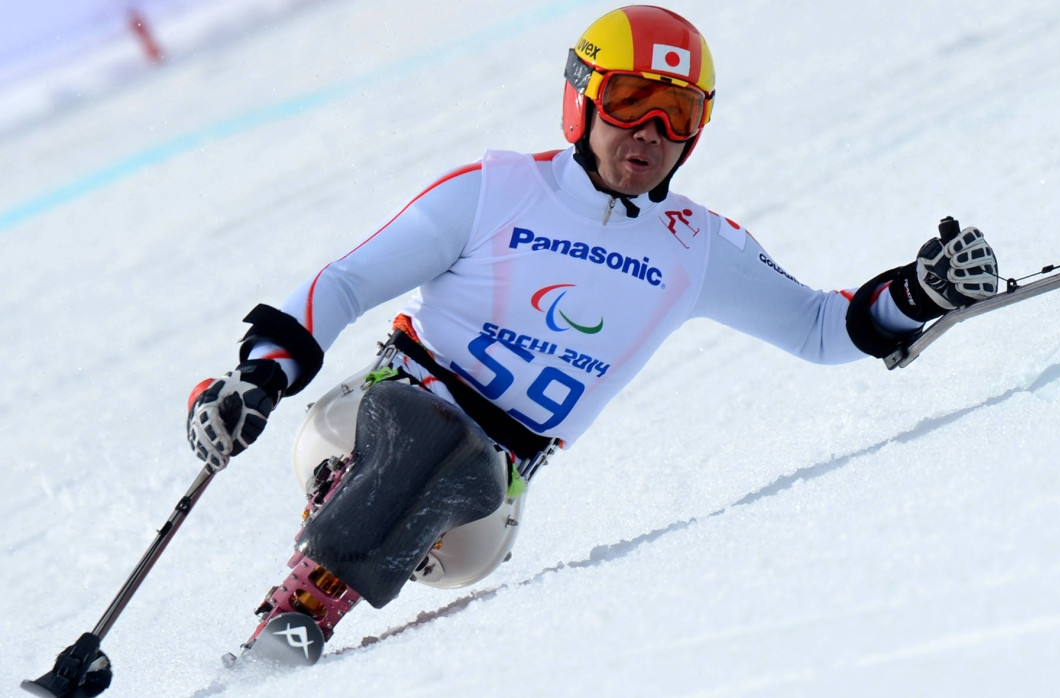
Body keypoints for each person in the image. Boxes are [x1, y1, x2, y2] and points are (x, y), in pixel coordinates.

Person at [187, 5, 999, 654]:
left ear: (696, 129)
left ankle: (344, 573)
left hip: (483, 499)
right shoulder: (494, 192)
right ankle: (293, 622)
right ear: (582, 101)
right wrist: (257, 374)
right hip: (364, 425)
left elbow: (822, 327)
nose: (647, 131)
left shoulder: (695, 246)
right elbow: (348, 280)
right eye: (627, 103)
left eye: (674, 112)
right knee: (422, 427)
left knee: (465, 463)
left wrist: (919, 294)